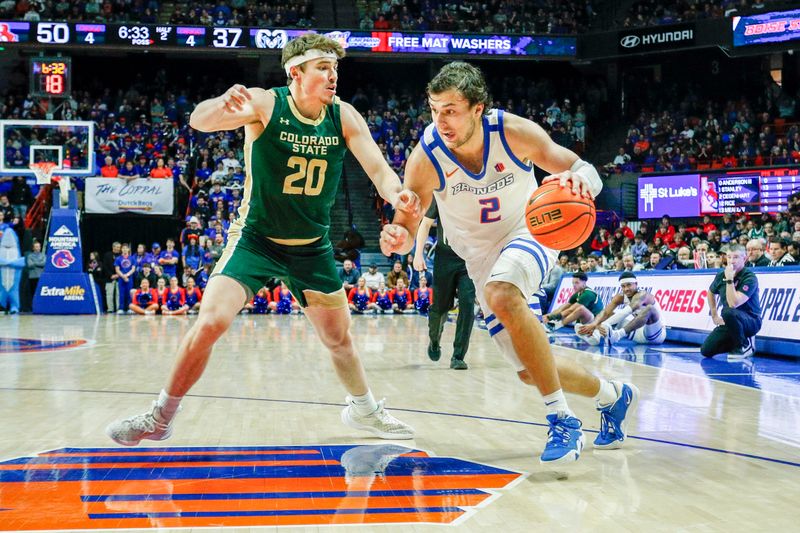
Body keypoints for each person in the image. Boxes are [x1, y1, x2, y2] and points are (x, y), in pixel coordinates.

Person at [106, 33, 417, 446]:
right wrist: (221, 105)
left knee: (339, 340)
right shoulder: (266, 103)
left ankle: (364, 410)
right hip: (256, 239)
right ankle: (159, 418)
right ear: (296, 71)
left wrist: (397, 194)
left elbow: (379, 170)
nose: (333, 75)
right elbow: (200, 120)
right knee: (211, 321)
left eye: (335, 68)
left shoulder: (343, 116)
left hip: (311, 247)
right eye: (323, 68)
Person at [384, 61, 638, 463]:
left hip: (529, 232)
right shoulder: (426, 155)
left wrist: (580, 183)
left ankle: (562, 420)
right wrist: (397, 236)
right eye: (434, 110)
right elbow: (408, 216)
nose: (440, 120)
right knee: (529, 368)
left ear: (477, 108)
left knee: (501, 291)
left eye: (450, 109)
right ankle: (614, 396)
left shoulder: (513, 132)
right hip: (478, 256)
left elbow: (582, 168)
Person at [413, 198, 475, 369]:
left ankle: (458, 356)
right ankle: (434, 339)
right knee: (440, 307)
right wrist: (419, 254)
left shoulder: (477, 192)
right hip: (444, 257)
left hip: (469, 258)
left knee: (468, 306)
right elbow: (425, 225)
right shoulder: (441, 194)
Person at [701, 244, 761, 359]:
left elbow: (734, 303)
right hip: (730, 320)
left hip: (751, 320)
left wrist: (729, 279)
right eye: (729, 257)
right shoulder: (720, 275)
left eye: (736, 257)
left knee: (728, 310)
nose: (731, 261)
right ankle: (736, 341)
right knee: (706, 350)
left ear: (744, 258)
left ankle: (745, 344)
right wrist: (714, 315)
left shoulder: (749, 277)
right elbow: (710, 292)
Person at [578, 272, 666, 346]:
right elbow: (605, 313)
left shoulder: (643, 295)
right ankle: (596, 337)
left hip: (656, 335)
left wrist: (601, 325)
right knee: (611, 314)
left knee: (649, 309)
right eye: (623, 286)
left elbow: (627, 311)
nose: (626, 289)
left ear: (636, 284)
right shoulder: (620, 296)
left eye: (629, 285)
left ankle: (616, 335)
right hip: (639, 334)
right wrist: (594, 325)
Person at [542, 272, 603, 344]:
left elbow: (571, 310)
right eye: (573, 283)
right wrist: (547, 316)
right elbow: (562, 308)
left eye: (577, 283)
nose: (574, 285)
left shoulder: (588, 294)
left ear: (584, 283)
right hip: (587, 321)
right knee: (575, 323)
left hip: (596, 321)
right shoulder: (578, 293)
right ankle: (589, 335)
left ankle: (555, 326)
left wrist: (551, 317)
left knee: (581, 309)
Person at [114, 244, 136, 314]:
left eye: (126, 248)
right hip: (121, 279)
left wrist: (127, 275)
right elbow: (117, 270)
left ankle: (129, 308)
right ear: (121, 249)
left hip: (129, 278)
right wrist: (123, 276)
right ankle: (121, 308)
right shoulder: (118, 259)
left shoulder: (132, 258)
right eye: (123, 248)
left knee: (129, 293)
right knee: (121, 293)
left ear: (128, 250)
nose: (125, 249)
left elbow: (133, 269)